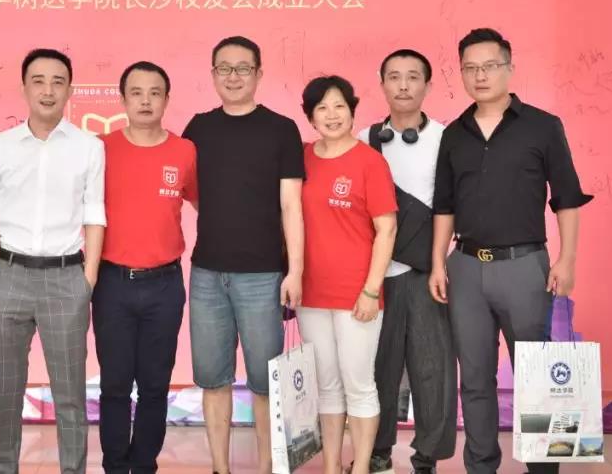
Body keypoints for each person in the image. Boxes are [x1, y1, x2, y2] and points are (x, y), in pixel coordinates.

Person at [429, 28, 593, 474]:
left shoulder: (543, 126)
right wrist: (438, 263)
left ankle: (542, 468)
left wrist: (567, 259)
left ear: (509, 68)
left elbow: (567, 198)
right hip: (465, 267)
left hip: (524, 267)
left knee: (536, 375)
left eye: (489, 66)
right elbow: (444, 206)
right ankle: (481, 465)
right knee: (475, 378)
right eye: (470, 68)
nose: (480, 76)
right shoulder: (454, 134)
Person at [0, 48, 106, 474]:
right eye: (39, 81)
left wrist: (87, 279)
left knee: (69, 395)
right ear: (24, 87)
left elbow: (94, 213)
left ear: (69, 89)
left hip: (66, 279)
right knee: (6, 392)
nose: (48, 90)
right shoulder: (0, 146)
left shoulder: (89, 147)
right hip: (7, 277)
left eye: (57, 82)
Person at [183, 35, 305, 474]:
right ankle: (220, 467)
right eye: (225, 68)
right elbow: (193, 193)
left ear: (258, 73)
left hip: (263, 276)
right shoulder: (198, 128)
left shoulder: (281, 129)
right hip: (206, 275)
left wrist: (295, 271)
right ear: (213, 74)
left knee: (264, 383)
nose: (233, 77)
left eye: (243, 68)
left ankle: (266, 467)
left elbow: (291, 205)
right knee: (213, 380)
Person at [93, 61, 197, 474]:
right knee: (115, 386)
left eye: (155, 93)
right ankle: (115, 466)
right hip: (112, 283)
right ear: (122, 99)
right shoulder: (100, 148)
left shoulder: (185, 151)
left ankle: (144, 465)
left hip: (164, 285)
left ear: (167, 99)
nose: (145, 101)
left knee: (155, 386)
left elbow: (206, 204)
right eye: (136, 92)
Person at [359, 49, 457, 474]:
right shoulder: (363, 138)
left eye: (413, 77)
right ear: (381, 83)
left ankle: (427, 456)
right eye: (394, 76)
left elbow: (451, 206)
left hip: (426, 272)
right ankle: (376, 451)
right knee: (376, 368)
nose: (403, 85)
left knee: (433, 367)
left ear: (428, 85)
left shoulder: (446, 139)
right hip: (374, 275)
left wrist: (438, 264)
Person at [298, 75, 397, 474]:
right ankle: (331, 466)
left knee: (359, 384)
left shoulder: (369, 162)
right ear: (310, 117)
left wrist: (372, 291)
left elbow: (387, 229)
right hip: (310, 293)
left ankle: (360, 468)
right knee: (326, 385)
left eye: (339, 105)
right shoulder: (301, 158)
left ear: (352, 111)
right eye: (321, 107)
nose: (331, 114)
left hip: (358, 294)